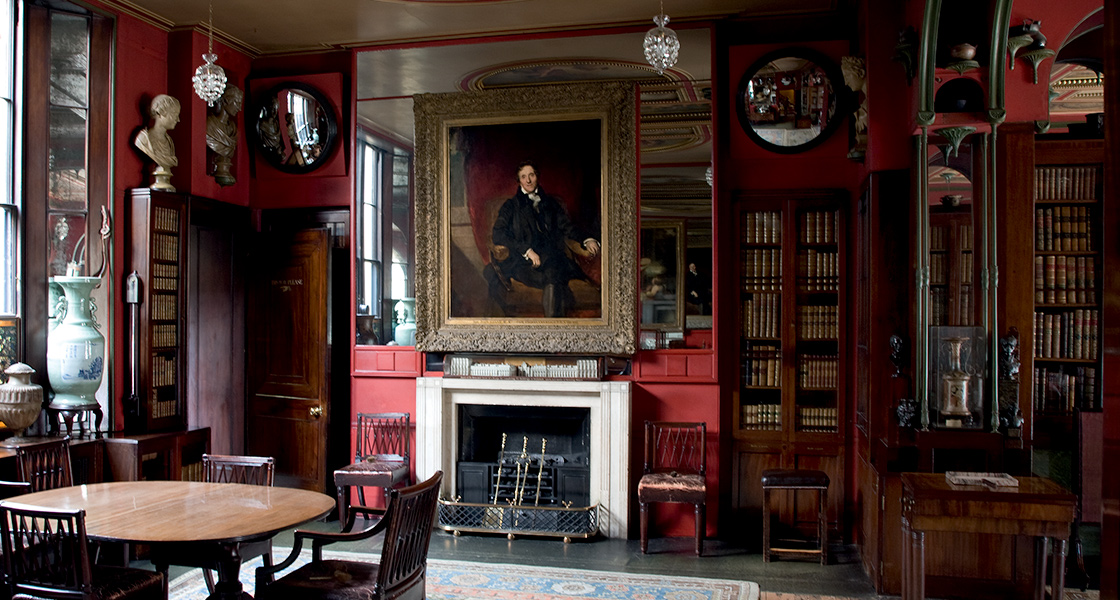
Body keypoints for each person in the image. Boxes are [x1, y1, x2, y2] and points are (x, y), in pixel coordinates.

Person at [486, 161, 599, 318]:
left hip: (552, 260)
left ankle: (553, 327)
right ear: (518, 181)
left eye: (531, 175)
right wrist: (526, 250)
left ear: (537, 177)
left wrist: (587, 239)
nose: (529, 180)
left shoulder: (551, 203)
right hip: (525, 263)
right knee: (553, 274)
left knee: (554, 271)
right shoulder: (511, 206)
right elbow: (498, 234)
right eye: (524, 177)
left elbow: (567, 227)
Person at [206, 85, 243, 186]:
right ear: (226, 101)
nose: (239, 108)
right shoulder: (209, 125)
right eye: (237, 103)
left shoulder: (233, 129)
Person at [134, 94, 180, 171]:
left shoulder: (169, 142)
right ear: (160, 113)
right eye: (174, 115)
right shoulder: (144, 139)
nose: (178, 119)